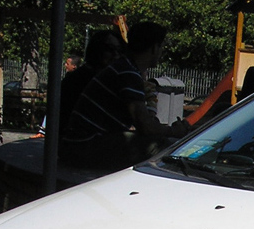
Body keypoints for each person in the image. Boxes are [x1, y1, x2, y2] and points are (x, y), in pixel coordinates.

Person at [60, 22, 187, 171]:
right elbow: (145, 126)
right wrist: (174, 132)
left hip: (79, 144)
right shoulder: (127, 73)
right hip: (84, 147)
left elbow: (145, 121)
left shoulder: (124, 68)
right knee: (162, 148)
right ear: (154, 48)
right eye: (161, 47)